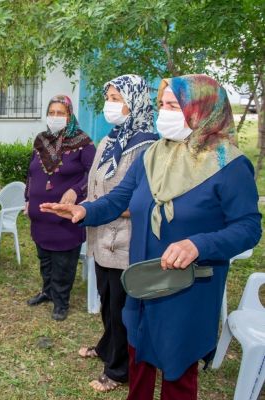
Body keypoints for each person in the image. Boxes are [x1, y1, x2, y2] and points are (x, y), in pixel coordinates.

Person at [41, 74, 262, 400]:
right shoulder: (153, 155)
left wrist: (198, 244)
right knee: (138, 353)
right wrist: (84, 211)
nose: (164, 112)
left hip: (188, 287)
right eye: (161, 104)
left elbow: (248, 228)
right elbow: (119, 200)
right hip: (143, 280)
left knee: (177, 371)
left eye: (173, 105)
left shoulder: (228, 164)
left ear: (201, 109)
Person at [78, 75, 159, 392]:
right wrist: (89, 206)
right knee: (107, 299)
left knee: (122, 308)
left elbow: (142, 201)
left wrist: (103, 207)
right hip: (101, 237)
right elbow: (96, 184)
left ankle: (118, 369)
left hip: (125, 241)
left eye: (116, 98)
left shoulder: (148, 147)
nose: (109, 105)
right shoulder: (111, 140)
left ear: (135, 101)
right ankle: (106, 346)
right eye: (108, 97)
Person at [25, 95, 95, 321]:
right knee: (44, 256)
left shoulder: (82, 142)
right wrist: (28, 198)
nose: (55, 117)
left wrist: (77, 190)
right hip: (40, 214)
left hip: (65, 215)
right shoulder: (41, 140)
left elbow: (92, 174)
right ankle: (47, 291)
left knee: (64, 260)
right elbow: (31, 173)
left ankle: (61, 301)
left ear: (70, 115)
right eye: (52, 112)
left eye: (60, 113)